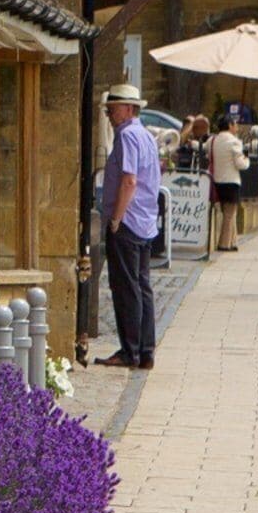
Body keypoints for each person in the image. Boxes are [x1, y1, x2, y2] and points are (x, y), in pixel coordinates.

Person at [98, 84, 163, 370]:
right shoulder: (146, 135)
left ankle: (131, 350)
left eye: (113, 108)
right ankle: (145, 350)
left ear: (127, 108)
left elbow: (130, 180)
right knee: (142, 285)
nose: (109, 114)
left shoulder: (127, 136)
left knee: (126, 287)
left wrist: (116, 218)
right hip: (145, 220)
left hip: (129, 220)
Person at [208, 115, 250, 253]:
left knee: (228, 212)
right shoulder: (234, 142)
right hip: (231, 181)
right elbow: (240, 164)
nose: (237, 127)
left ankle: (233, 241)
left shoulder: (213, 140)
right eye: (236, 124)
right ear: (230, 125)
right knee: (230, 214)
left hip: (217, 180)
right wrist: (247, 160)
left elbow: (204, 150)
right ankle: (224, 244)